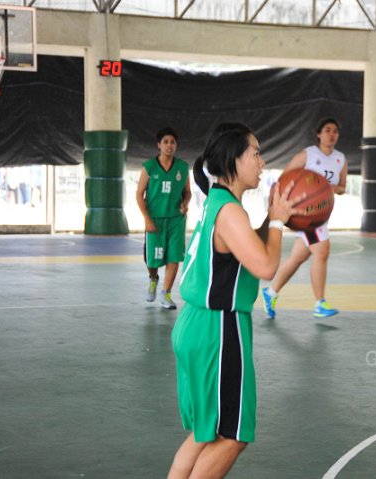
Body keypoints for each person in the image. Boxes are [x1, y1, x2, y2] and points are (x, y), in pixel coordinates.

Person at [167, 123, 302, 479]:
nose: (261, 161)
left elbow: (244, 250)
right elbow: (266, 266)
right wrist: (275, 224)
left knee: (204, 432)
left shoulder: (219, 202)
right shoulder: (230, 212)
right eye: (255, 153)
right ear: (233, 159)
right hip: (218, 330)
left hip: (196, 325)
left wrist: (271, 222)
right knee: (232, 434)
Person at [261, 118, 348, 319]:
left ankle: (271, 292)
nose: (332, 134)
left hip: (321, 214)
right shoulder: (308, 155)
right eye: (327, 130)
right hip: (303, 214)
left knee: (298, 257)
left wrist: (324, 188)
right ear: (319, 134)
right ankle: (319, 303)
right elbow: (284, 179)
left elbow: (342, 187)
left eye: (335, 131)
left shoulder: (340, 159)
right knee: (322, 251)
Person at [136, 127, 191, 309]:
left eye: (173, 142)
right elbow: (139, 194)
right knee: (152, 258)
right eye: (166, 142)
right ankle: (153, 278)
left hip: (176, 219)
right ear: (159, 145)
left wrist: (186, 203)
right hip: (155, 220)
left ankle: (166, 294)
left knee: (173, 256)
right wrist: (146, 218)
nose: (169, 145)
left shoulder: (182, 167)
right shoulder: (149, 167)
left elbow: (187, 192)